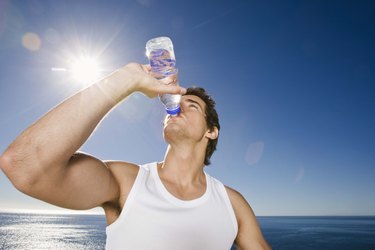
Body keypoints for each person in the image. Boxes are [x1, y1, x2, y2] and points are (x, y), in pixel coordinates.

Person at [0, 62, 271, 250]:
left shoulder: (232, 203)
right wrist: (127, 79)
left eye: (192, 106)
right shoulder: (127, 182)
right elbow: (22, 165)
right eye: (176, 104)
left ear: (211, 131)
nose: (176, 108)